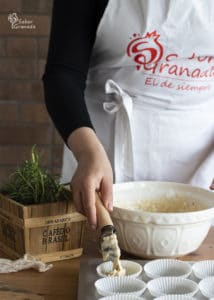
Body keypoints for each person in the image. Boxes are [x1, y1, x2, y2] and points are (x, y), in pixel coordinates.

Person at [43, 0, 214, 230]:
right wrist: (87, 152)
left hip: (201, 163)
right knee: (98, 256)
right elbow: (63, 74)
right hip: (100, 152)